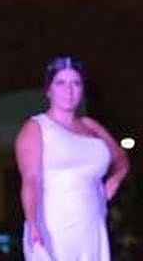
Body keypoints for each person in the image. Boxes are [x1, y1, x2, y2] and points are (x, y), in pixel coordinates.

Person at [14, 56, 129, 261]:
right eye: (61, 83)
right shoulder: (36, 127)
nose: (69, 90)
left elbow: (121, 157)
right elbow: (30, 179)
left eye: (76, 83)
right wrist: (31, 222)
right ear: (49, 90)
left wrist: (115, 179)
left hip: (92, 221)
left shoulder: (90, 125)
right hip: (55, 223)